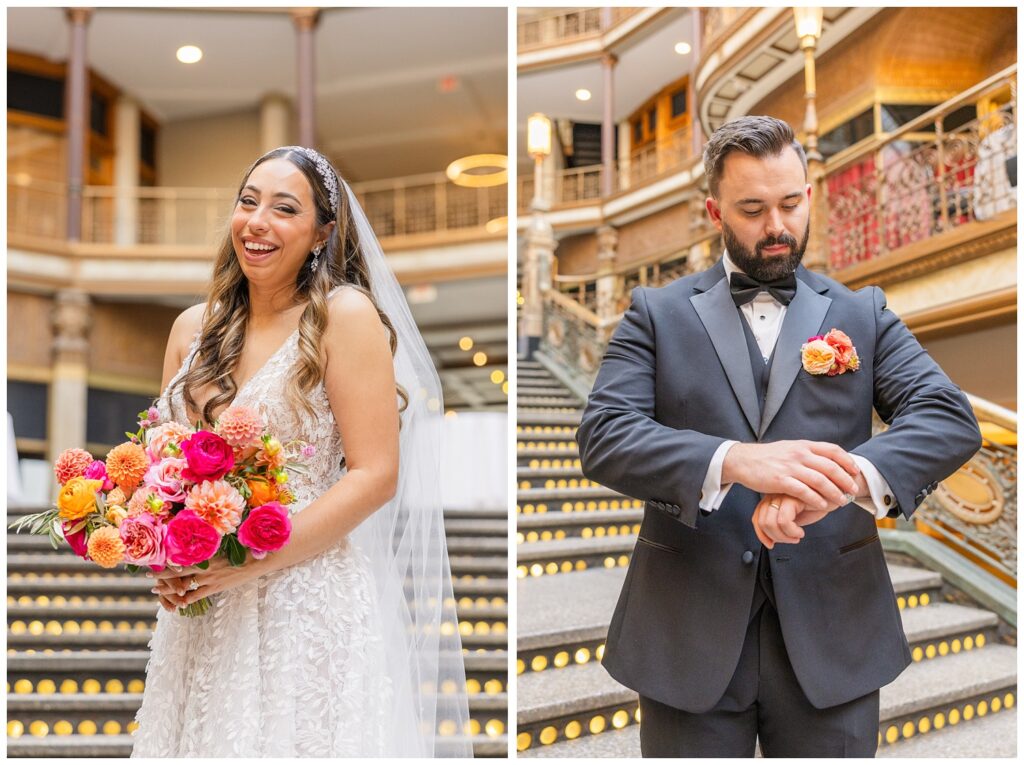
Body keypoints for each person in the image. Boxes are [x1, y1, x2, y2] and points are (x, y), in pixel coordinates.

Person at [576, 116, 981, 757]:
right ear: (714, 210)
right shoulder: (654, 314)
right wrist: (735, 460)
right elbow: (605, 434)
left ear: (810, 195)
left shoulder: (863, 313)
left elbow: (946, 414)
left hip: (836, 635)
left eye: (790, 203)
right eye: (752, 209)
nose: (776, 227)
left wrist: (840, 482)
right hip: (688, 633)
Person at [132, 146, 471, 757]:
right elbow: (163, 464)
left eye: (284, 208)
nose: (257, 221)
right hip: (203, 607)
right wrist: (164, 547)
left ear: (322, 233)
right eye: (248, 201)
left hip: (306, 599)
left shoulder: (344, 315)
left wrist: (248, 562)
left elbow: (375, 474)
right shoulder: (190, 330)